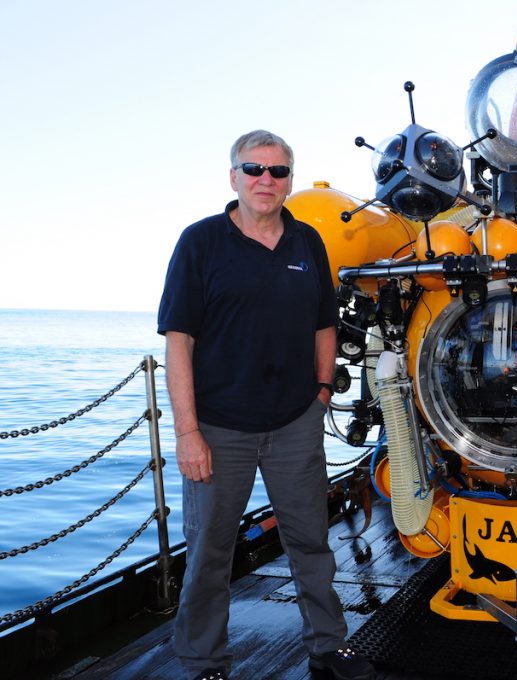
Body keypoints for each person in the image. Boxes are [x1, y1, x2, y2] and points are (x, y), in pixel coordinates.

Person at [158, 130, 375, 680]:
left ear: (290, 182)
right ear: (233, 176)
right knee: (209, 552)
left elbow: (325, 323)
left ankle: (329, 648)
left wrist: (322, 391)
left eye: (278, 172)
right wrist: (187, 433)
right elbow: (178, 340)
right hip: (218, 427)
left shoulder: (307, 243)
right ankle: (205, 661)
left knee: (311, 542)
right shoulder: (200, 242)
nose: (266, 181)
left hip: (294, 423)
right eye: (254, 170)